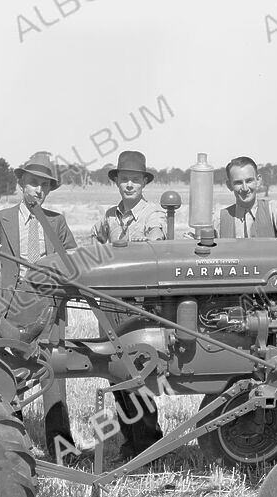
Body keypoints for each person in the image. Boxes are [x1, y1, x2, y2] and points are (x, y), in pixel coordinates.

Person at [0, 152, 77, 455]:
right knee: (9, 372)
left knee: (53, 371)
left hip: (49, 308)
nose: (38, 190)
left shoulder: (57, 222)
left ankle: (61, 447)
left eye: (44, 185)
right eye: (32, 183)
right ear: (20, 182)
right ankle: (13, 445)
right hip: (11, 308)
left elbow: (73, 264)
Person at [90, 150, 165, 459]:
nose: (129, 185)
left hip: (139, 303)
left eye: (135, 180)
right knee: (115, 373)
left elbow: (154, 250)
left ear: (143, 182)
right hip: (110, 302)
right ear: (117, 182)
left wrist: (119, 252)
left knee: (139, 372)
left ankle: (149, 443)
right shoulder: (109, 216)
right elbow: (95, 246)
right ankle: (129, 443)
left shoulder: (153, 215)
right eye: (124, 180)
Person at [217, 156, 277, 239]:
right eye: (238, 183)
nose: (245, 188)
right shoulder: (219, 219)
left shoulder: (274, 210)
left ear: (258, 181)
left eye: (249, 181)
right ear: (229, 185)